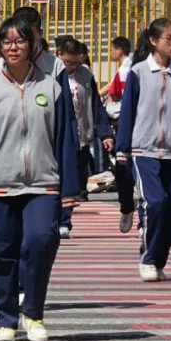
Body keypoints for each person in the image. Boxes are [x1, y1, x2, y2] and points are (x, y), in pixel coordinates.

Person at [0, 16, 79, 341]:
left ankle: (34, 314)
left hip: (43, 184)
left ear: (32, 44)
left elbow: (65, 139)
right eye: (7, 41)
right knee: (2, 252)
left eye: (20, 40)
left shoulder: (52, 88)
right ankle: (6, 318)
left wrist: (70, 189)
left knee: (41, 242)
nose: (13, 47)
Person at [117, 18, 171, 281]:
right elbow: (128, 111)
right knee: (155, 202)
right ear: (154, 41)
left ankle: (158, 260)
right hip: (143, 152)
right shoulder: (139, 72)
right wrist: (122, 148)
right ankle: (148, 258)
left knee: (167, 212)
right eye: (169, 38)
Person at [56, 38, 113, 239]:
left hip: (82, 137)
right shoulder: (52, 75)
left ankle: (65, 221)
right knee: (59, 180)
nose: (71, 67)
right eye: (68, 62)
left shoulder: (86, 75)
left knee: (74, 182)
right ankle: (56, 219)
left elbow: (96, 105)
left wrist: (105, 134)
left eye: (75, 62)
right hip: (60, 138)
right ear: (59, 54)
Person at [100, 35, 136, 232]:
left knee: (125, 171)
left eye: (112, 49)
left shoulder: (126, 71)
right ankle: (131, 209)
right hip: (127, 127)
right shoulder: (127, 70)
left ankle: (128, 208)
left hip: (126, 128)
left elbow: (113, 97)